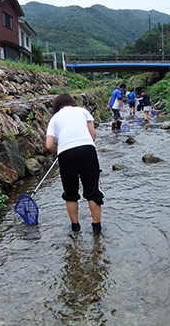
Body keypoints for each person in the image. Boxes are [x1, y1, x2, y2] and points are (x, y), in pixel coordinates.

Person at [46, 93, 104, 234]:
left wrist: (59, 151)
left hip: (65, 153)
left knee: (70, 193)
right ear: (72, 102)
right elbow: (93, 135)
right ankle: (97, 228)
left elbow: (48, 145)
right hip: (87, 149)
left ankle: (75, 227)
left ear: (57, 106)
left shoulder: (54, 119)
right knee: (92, 191)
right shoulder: (83, 111)